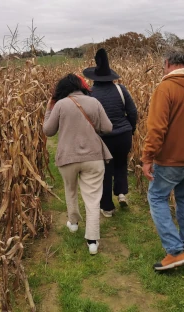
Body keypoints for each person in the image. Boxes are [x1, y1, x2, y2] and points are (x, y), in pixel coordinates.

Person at [141, 49, 184, 271]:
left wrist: (147, 157)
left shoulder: (166, 88)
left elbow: (156, 128)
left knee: (156, 197)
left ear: (168, 63)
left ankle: (174, 250)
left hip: (171, 158)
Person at [43, 74, 113, 255]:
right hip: (94, 157)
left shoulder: (60, 104)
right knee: (93, 197)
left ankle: (73, 223)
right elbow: (107, 128)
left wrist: (49, 109)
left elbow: (48, 131)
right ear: (80, 86)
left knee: (70, 189)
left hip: (67, 157)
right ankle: (92, 241)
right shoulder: (94, 102)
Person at [83, 48, 137, 217]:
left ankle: (107, 208)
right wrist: (131, 129)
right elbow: (133, 112)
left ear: (94, 78)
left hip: (102, 138)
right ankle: (121, 193)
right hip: (123, 135)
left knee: (104, 171)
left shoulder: (89, 94)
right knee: (121, 163)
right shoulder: (121, 89)